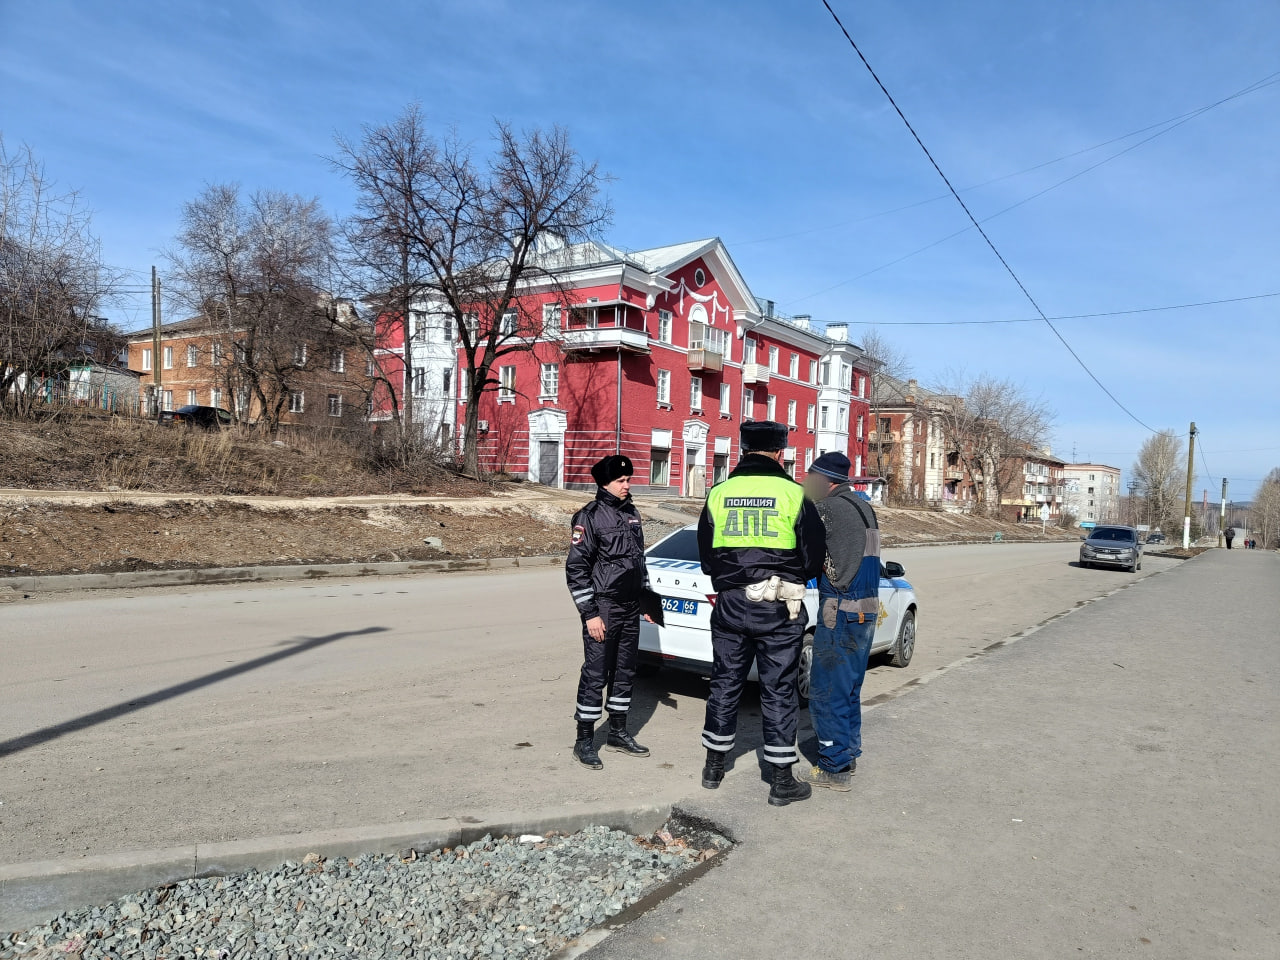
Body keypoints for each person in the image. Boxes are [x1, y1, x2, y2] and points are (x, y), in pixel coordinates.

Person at [697, 421, 826, 806]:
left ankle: (713, 767)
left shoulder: (719, 492)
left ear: (744, 448)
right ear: (780, 452)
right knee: (779, 688)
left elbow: (706, 559)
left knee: (724, 683)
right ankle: (781, 779)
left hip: (732, 603)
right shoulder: (794, 494)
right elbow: (813, 557)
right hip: (779, 609)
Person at [800, 453, 881, 792]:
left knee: (827, 689)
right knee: (848, 688)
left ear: (826, 482)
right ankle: (848, 753)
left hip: (840, 609)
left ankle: (833, 768)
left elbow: (807, 554)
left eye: (811, 478)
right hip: (865, 609)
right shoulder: (863, 506)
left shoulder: (828, 509)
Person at [565, 455, 651, 769]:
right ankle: (584, 740)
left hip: (630, 610)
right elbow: (576, 570)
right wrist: (590, 614)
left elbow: (639, 562)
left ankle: (617, 732)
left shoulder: (632, 513)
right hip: (604, 608)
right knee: (596, 674)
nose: (628, 485)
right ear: (605, 483)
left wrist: (646, 601)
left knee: (625, 673)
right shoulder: (588, 517)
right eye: (621, 481)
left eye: (628, 479)